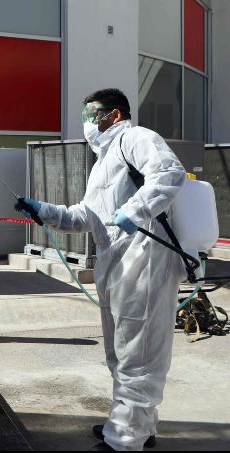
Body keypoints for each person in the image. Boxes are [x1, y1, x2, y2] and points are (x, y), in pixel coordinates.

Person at [17, 89, 185, 451]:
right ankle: (136, 426)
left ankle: (124, 440)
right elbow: (86, 217)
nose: (87, 123)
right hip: (116, 264)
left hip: (146, 259)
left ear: (115, 114)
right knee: (121, 353)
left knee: (138, 355)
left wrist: (135, 211)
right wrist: (43, 210)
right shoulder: (103, 162)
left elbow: (169, 173)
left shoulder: (136, 138)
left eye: (92, 115)